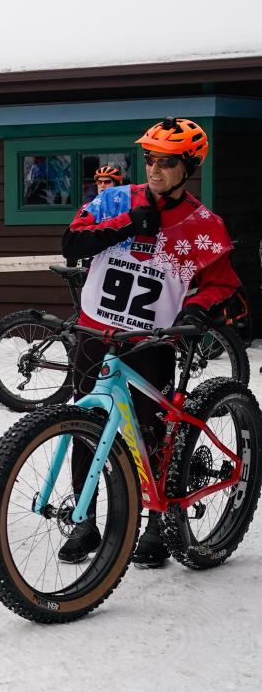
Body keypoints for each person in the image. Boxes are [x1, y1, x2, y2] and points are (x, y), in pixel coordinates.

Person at [58, 117, 240, 568]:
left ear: (189, 166)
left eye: (166, 162)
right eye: (150, 159)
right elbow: (71, 245)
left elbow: (223, 285)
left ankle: (156, 522)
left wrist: (198, 309)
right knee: (86, 425)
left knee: (152, 434)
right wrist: (126, 224)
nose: (155, 169)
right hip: (95, 332)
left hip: (152, 341)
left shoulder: (203, 224)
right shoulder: (114, 199)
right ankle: (85, 522)